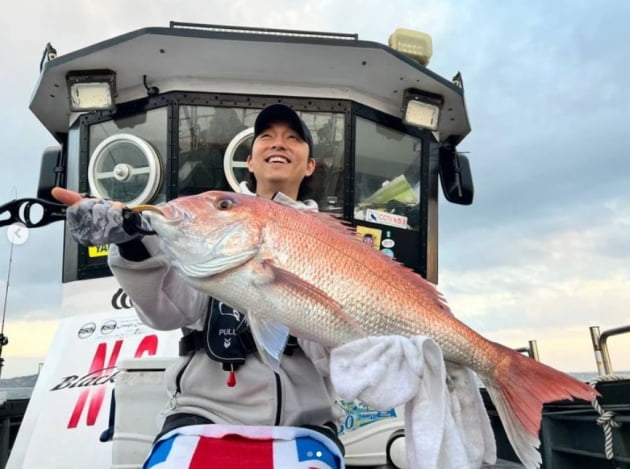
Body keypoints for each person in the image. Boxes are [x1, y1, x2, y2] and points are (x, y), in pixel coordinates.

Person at [52, 104, 344, 468]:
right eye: (266, 137)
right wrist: (129, 241)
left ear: (310, 164)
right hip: (202, 417)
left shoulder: (337, 245)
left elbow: (339, 360)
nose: (278, 144)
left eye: (293, 138)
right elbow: (167, 312)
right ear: (249, 162)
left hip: (307, 424)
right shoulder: (209, 225)